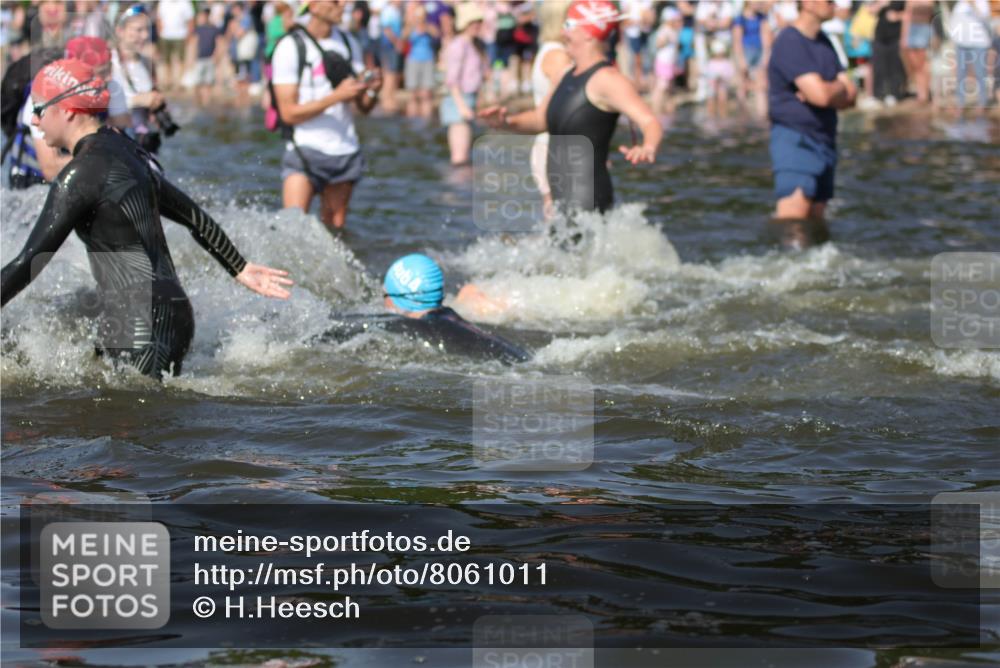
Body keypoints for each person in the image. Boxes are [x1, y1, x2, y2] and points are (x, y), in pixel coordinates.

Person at [0, 59, 293, 379]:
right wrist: (240, 267)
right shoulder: (127, 150)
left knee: (132, 422)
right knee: (141, 416)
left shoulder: (79, 174)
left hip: (140, 322)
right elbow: (194, 216)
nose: (34, 120)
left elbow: (29, 262)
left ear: (67, 110)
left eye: (40, 109)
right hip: (173, 313)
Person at [480, 0, 663, 215]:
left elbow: (649, 121)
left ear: (587, 33)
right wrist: (506, 122)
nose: (562, 32)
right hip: (561, 202)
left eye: (568, 25)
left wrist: (648, 146)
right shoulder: (565, 74)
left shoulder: (607, 80)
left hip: (590, 204)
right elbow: (541, 120)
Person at [270, 0, 381, 231]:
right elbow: (288, 113)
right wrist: (336, 97)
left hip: (344, 151)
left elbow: (364, 107)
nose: (343, 5)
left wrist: (373, 89)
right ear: (313, 6)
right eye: (335, 1)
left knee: (335, 233)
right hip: (304, 151)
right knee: (292, 230)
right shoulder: (290, 47)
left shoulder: (349, 42)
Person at [321, 254, 531, 365]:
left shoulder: (407, 325)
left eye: (386, 295)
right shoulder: (449, 315)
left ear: (398, 298)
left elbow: (341, 328)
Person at [768, 0, 856, 235]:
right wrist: (833, 89)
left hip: (825, 140)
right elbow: (821, 96)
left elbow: (851, 95)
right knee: (793, 219)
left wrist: (829, 89)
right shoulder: (789, 41)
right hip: (796, 139)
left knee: (817, 222)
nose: (834, 3)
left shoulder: (825, 41)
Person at [529, 0, 573, 215]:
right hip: (554, 145)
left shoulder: (548, 50)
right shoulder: (558, 56)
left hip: (547, 143)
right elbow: (568, 103)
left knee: (554, 212)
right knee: (560, 214)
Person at [112, 5, 170, 154]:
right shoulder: (108, 62)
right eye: (138, 30)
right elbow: (97, 106)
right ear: (120, 31)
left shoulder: (146, 62)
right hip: (116, 144)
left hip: (142, 143)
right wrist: (137, 100)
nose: (144, 35)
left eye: (147, 30)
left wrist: (157, 107)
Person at [441, 2, 485, 166]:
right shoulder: (459, 45)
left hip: (467, 99)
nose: (478, 26)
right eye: (474, 22)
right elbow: (452, 80)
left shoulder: (472, 44)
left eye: (479, 22)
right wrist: (462, 107)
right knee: (459, 158)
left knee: (465, 155)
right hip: (459, 101)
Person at [732, 0, 773, 117]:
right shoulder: (740, 19)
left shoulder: (762, 18)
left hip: (758, 51)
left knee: (761, 85)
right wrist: (741, 59)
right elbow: (737, 40)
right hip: (746, 51)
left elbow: (766, 37)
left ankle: (762, 114)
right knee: (743, 85)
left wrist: (766, 55)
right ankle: (743, 114)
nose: (759, 2)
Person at [950, 0, 992, 111]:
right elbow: (954, 21)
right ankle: (960, 103)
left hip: (979, 43)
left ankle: (982, 102)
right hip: (961, 43)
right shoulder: (960, 3)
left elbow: (985, 19)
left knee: (980, 72)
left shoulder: (983, 3)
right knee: (960, 73)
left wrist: (973, 5)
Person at [402, 2, 438, 119]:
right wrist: (413, 24)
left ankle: (425, 119)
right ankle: (412, 119)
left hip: (427, 59)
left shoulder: (429, 26)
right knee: (412, 94)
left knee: (426, 94)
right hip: (413, 60)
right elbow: (403, 37)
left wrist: (426, 27)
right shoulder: (411, 26)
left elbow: (437, 34)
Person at [871, 0, 907, 104]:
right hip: (879, 37)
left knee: (894, 67)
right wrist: (882, 4)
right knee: (878, 67)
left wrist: (897, 15)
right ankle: (877, 95)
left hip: (895, 37)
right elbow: (870, 10)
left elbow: (909, 14)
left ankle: (894, 94)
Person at [156, 0, 195, 91]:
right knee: (166, 60)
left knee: (181, 60)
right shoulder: (163, 2)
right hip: (165, 35)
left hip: (180, 35)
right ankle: (168, 82)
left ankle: (179, 82)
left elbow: (190, 20)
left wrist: (189, 35)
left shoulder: (185, 3)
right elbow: (159, 18)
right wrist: (160, 32)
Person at [901, 0, 934, 104]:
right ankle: (920, 93)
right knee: (914, 65)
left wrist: (916, 6)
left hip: (923, 28)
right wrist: (904, 36)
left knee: (922, 64)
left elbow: (928, 9)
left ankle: (925, 94)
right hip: (912, 29)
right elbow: (907, 15)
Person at [193, 8, 224, 107]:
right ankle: (198, 102)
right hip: (199, 58)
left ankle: (207, 102)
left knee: (208, 82)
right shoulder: (198, 29)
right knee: (198, 82)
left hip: (209, 58)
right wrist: (192, 58)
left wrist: (217, 55)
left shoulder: (214, 29)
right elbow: (194, 43)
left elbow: (219, 42)